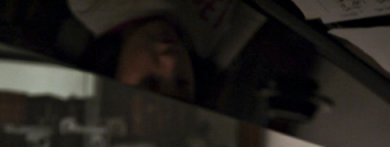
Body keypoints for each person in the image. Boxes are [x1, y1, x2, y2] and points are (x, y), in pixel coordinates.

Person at [68, 0, 264, 102]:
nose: (171, 61)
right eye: (182, 83)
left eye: (150, 81)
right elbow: (261, 10)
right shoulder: (208, 57)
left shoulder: (91, 4)